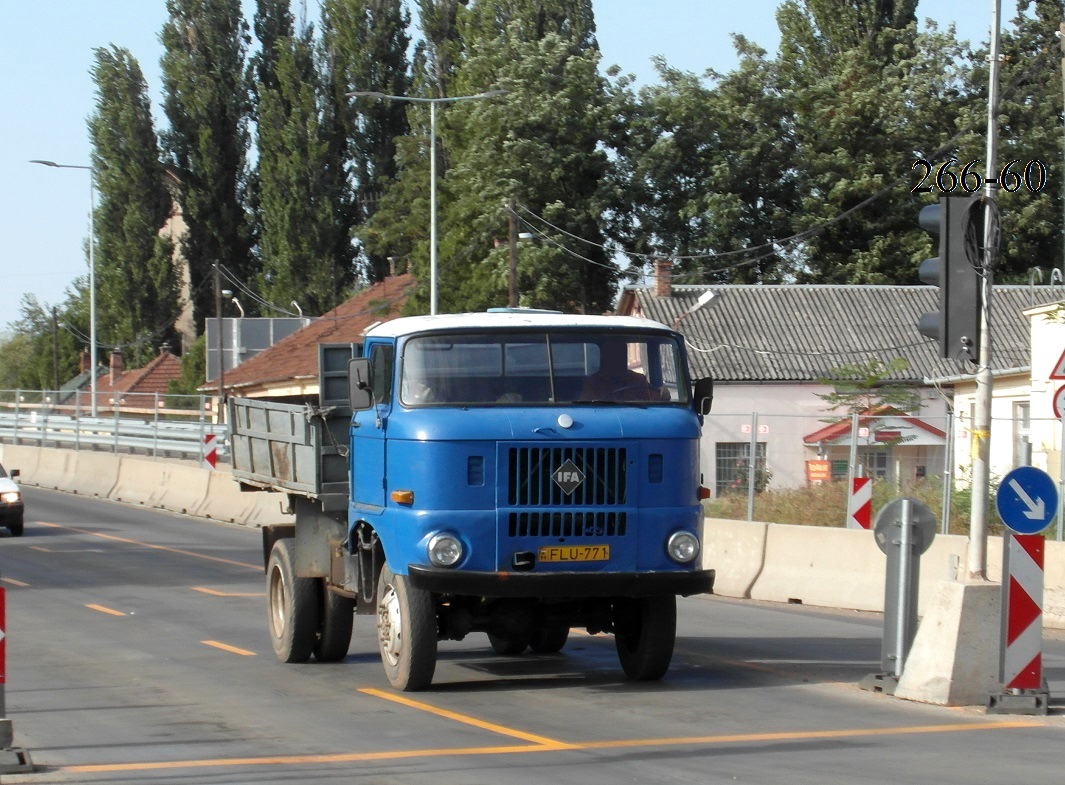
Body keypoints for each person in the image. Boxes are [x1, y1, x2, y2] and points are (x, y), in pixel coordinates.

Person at [579, 341, 664, 402]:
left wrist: (663, 394)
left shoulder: (638, 379)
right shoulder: (592, 382)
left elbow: (653, 400)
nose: (616, 359)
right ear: (604, 358)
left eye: (620, 354)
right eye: (612, 355)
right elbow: (587, 407)